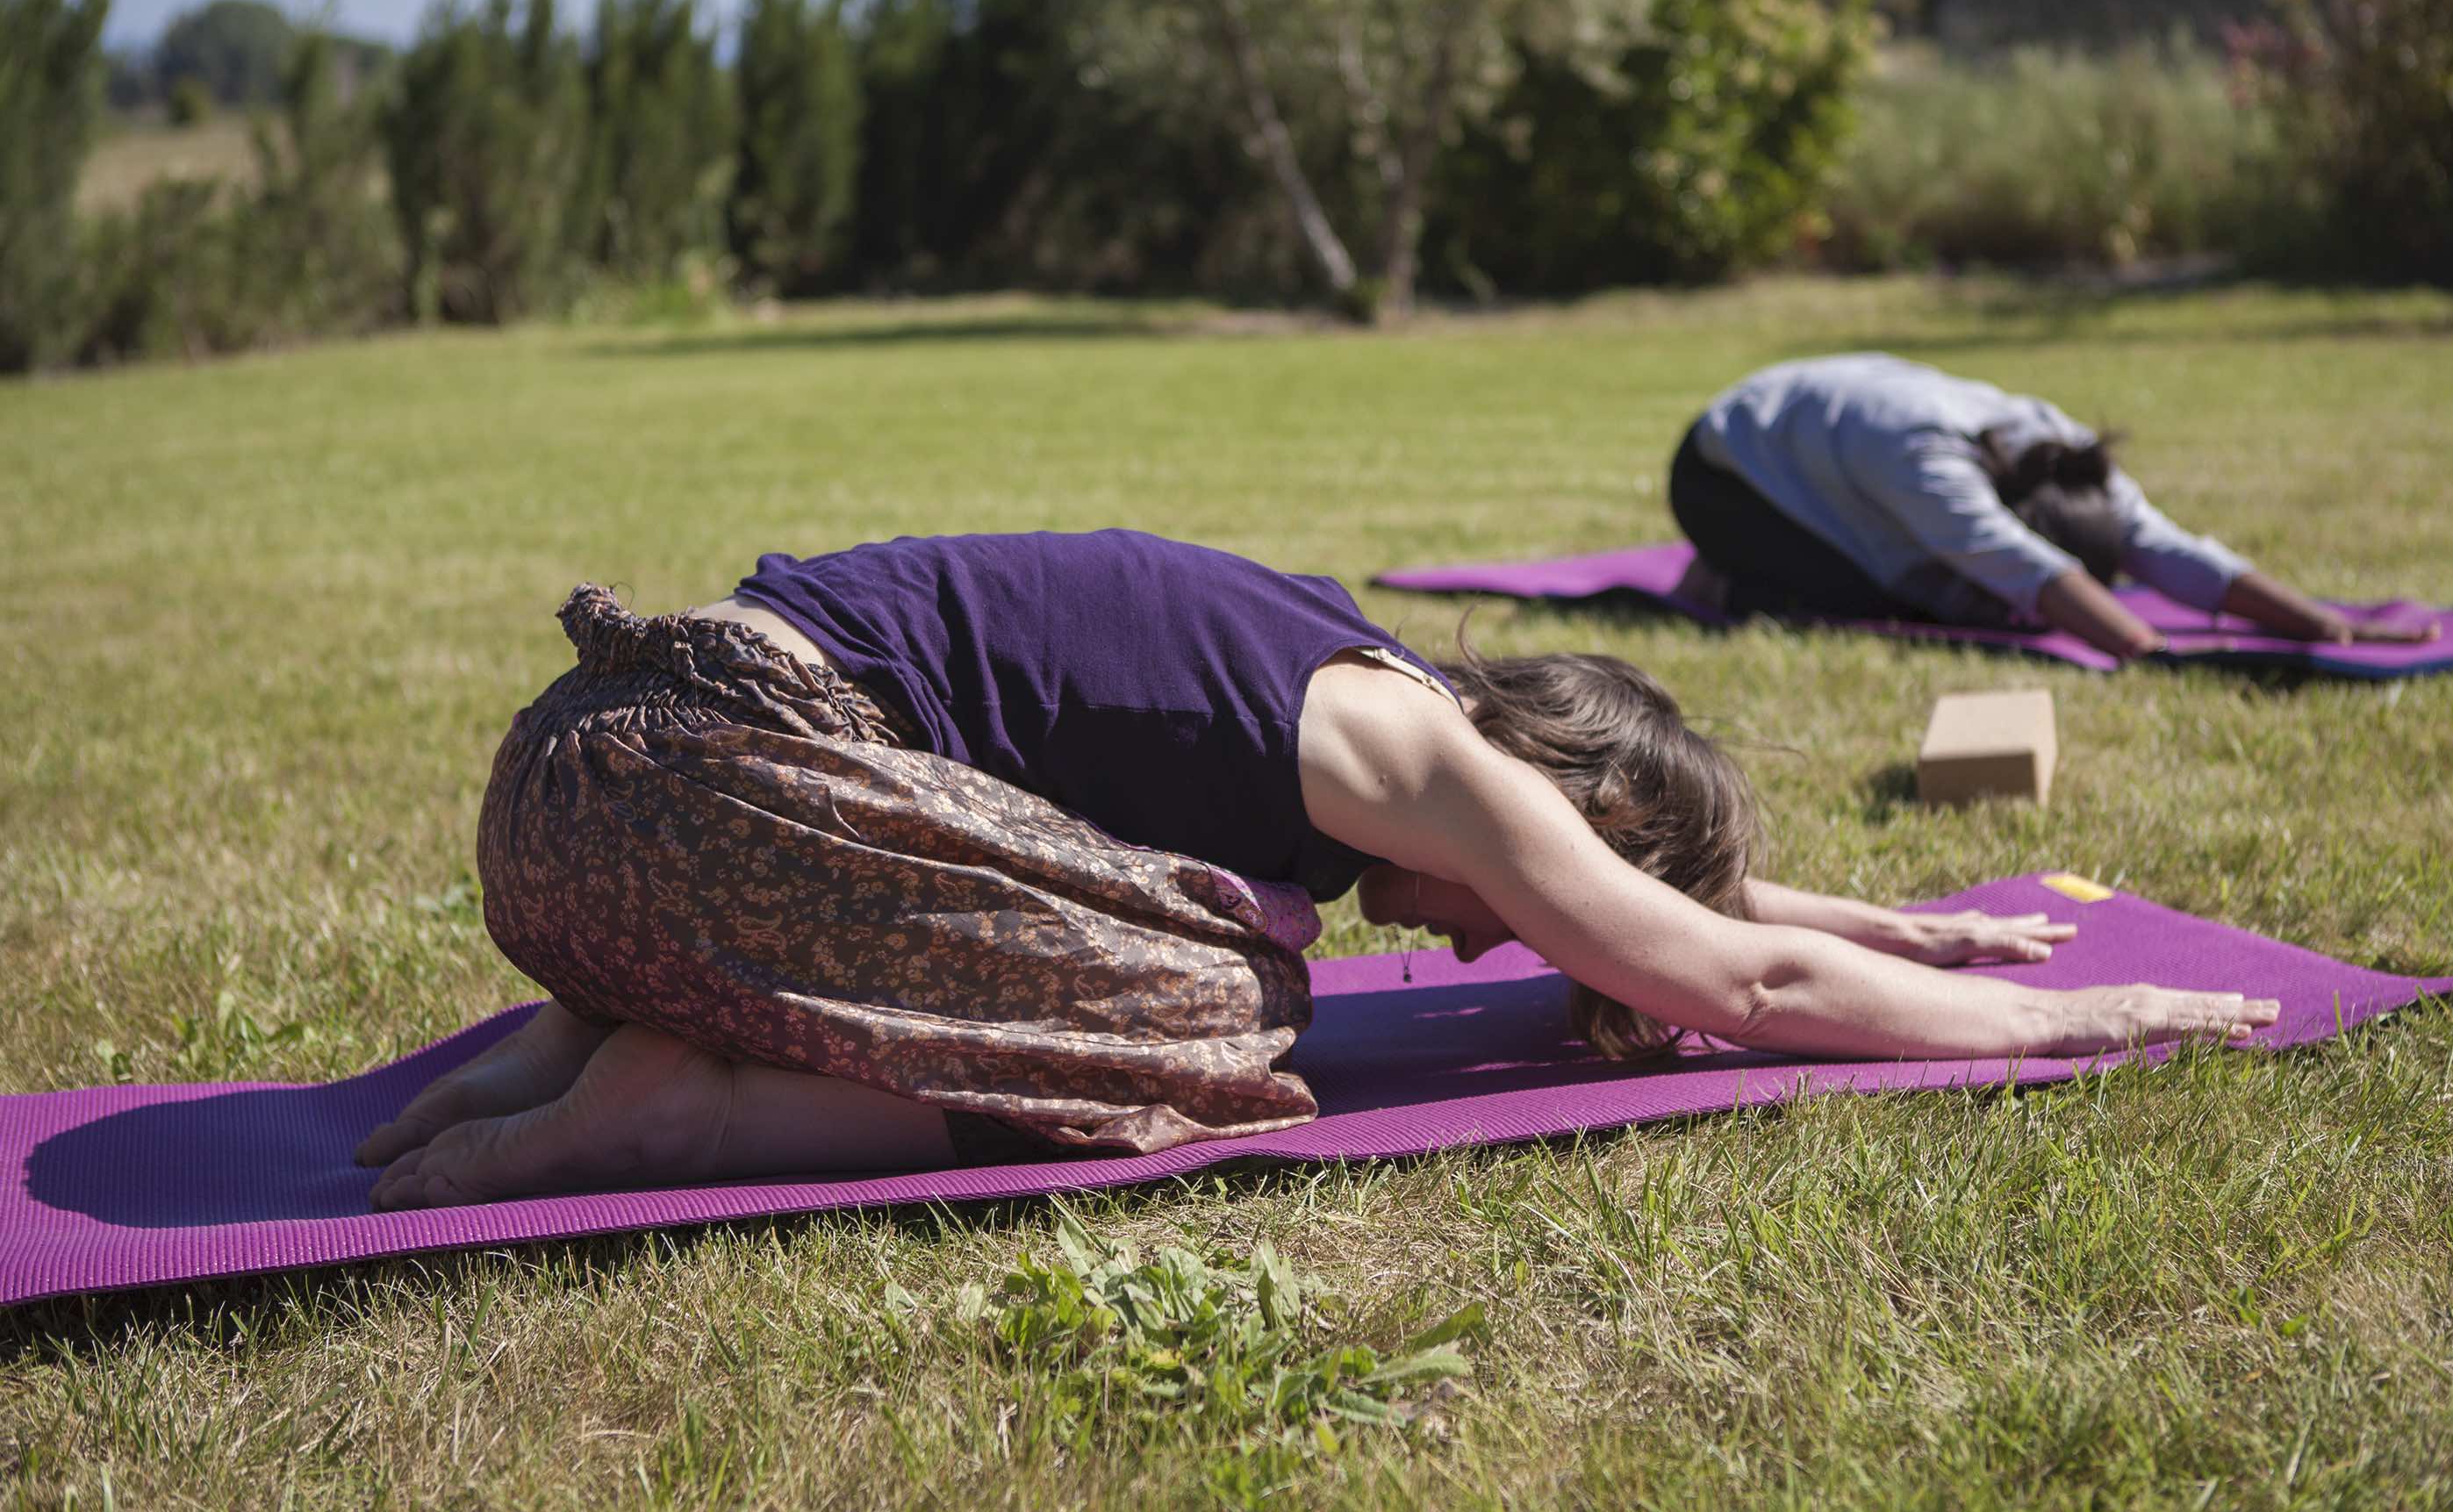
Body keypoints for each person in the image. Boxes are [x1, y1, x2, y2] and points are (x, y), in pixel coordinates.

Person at [362, 529, 2276, 1209]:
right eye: (1548, 904)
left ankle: (582, 1030)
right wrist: (2072, 1017)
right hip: (708, 813)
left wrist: (1897, 919)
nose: (1487, 948)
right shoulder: (1430, 761)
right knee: (1222, 1012)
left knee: (1145, 923)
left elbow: (1703, 934)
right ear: (1572, 818)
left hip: (573, 804)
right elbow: (1736, 991)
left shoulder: (1354, 680)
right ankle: (674, 1109)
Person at [1669, 353, 2439, 661]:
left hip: (1825, 439)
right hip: (1725, 470)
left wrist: (2319, 621)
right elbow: (2024, 567)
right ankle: (1723, 577)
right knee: (1898, 593)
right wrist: (2153, 652)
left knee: (1947, 581)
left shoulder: (2061, 449)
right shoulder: (1930, 467)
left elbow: (2161, 543)